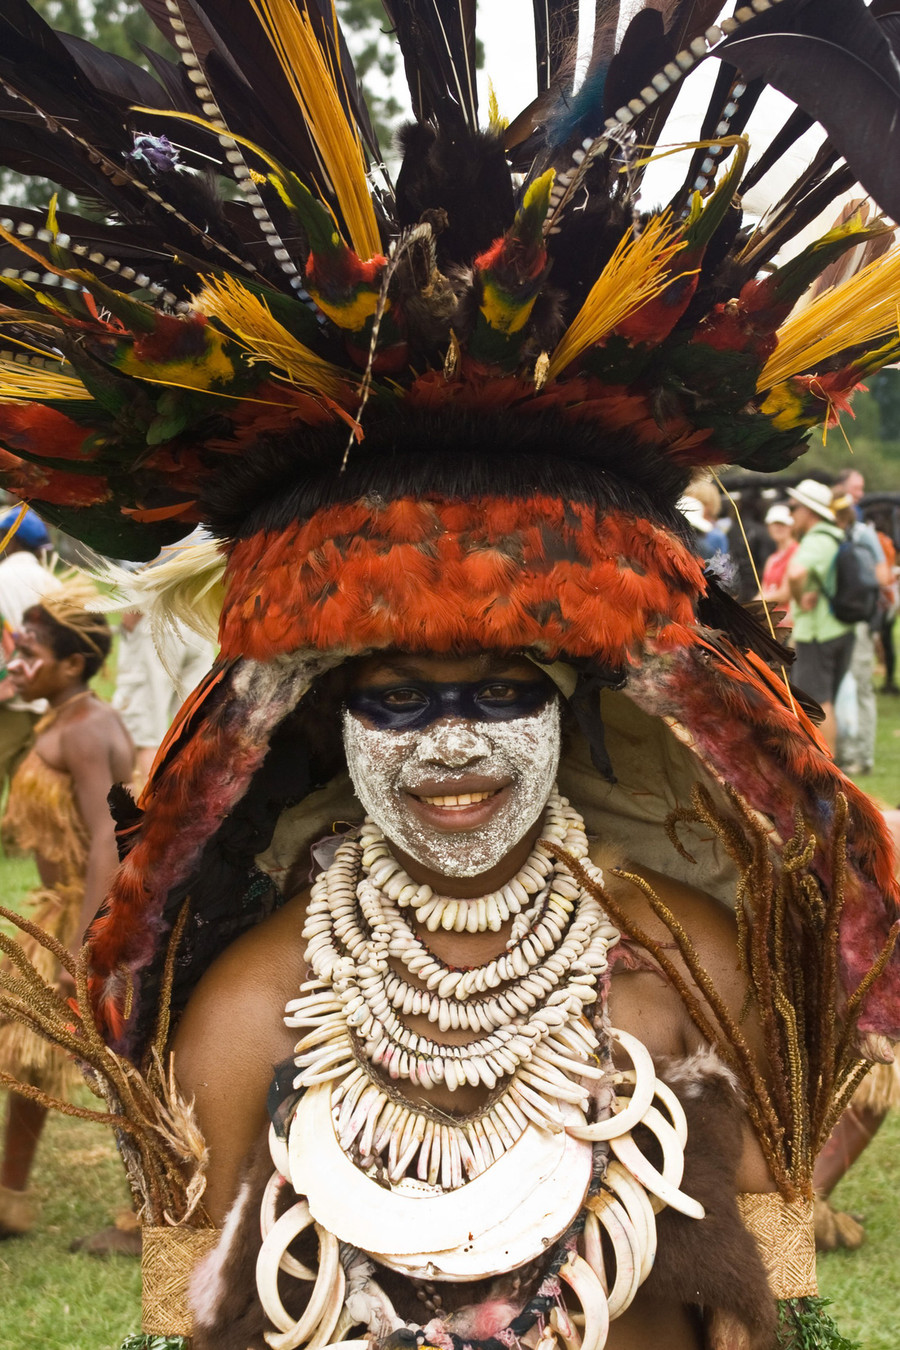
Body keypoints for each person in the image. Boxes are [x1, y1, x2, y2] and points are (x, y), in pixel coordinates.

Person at [2, 5, 900, 1349]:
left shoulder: (694, 972)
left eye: (499, 691)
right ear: (328, 715)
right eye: (399, 697)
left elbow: (763, 1307)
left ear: (576, 699)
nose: (452, 745)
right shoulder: (250, 1008)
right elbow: (192, 1321)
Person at [0, 584, 134, 1237]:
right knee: (31, 1054)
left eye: (29, 652)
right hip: (60, 911)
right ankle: (9, 1198)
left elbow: (108, 835)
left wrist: (83, 944)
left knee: (118, 1066)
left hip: (85, 918)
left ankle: (149, 1213)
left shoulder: (85, 729)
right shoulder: (61, 717)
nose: (15, 662)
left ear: (73, 663)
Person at [786, 480, 855, 754]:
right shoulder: (837, 535)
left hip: (817, 632)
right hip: (841, 628)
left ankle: (827, 767)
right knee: (827, 700)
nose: (791, 513)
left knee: (817, 703)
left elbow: (795, 574)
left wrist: (799, 596)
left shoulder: (816, 539)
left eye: (794, 507)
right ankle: (831, 764)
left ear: (808, 511)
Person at [0, 507, 61, 795]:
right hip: (45, 702)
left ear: (10, 540)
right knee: (28, 795)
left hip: (6, 701)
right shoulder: (55, 584)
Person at [830, 493, 889, 775]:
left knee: (859, 685)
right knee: (847, 686)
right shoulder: (850, 535)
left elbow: (883, 576)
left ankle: (862, 756)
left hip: (858, 621)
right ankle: (846, 752)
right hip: (845, 621)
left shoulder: (862, 536)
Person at [759, 504, 798, 608]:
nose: (778, 527)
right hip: (771, 616)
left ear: (791, 526)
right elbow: (764, 589)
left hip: (790, 616)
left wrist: (757, 600)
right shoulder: (771, 559)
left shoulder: (797, 552)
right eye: (775, 524)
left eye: (783, 524)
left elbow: (786, 594)